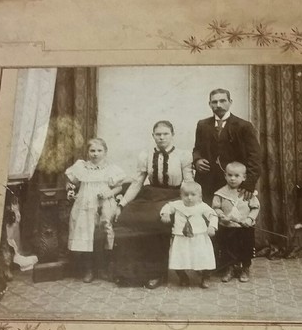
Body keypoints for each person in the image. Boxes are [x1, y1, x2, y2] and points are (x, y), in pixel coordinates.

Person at [112, 121, 194, 289]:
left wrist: (188, 205)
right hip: (151, 194)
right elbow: (137, 183)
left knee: (155, 220)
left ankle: (157, 273)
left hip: (173, 196)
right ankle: (131, 273)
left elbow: (189, 183)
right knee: (127, 217)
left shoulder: (183, 155)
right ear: (153, 136)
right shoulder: (145, 155)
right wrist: (122, 204)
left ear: (172, 135)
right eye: (158, 134)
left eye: (165, 134)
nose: (162, 137)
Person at [65, 138, 125, 283]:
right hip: (84, 205)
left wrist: (108, 194)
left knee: (104, 233)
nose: (95, 154)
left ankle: (103, 268)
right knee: (86, 233)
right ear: (87, 152)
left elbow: (119, 187)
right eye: (92, 151)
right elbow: (71, 183)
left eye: (99, 151)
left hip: (104, 204)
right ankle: (88, 269)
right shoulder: (81, 167)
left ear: (105, 152)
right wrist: (70, 189)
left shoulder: (111, 169)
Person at [192, 88, 262, 203]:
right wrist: (197, 160)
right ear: (209, 104)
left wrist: (249, 183)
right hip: (207, 182)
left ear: (230, 102)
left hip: (234, 182)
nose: (218, 105)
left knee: (232, 217)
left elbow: (255, 156)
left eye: (223, 101)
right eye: (214, 102)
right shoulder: (202, 125)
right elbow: (197, 149)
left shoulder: (244, 126)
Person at [160, 181, 218, 288]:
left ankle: (206, 277)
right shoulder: (177, 205)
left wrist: (212, 226)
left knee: (203, 256)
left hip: (199, 236)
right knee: (179, 257)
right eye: (186, 195)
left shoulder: (202, 206)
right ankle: (183, 277)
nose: (189, 198)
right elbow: (167, 207)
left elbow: (213, 215)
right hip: (181, 237)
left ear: (200, 196)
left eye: (193, 195)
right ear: (181, 195)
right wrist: (165, 214)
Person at [212, 162, 261, 282]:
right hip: (228, 227)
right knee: (228, 249)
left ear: (244, 177)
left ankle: (245, 268)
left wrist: (249, 219)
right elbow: (215, 208)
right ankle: (230, 268)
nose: (232, 178)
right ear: (225, 176)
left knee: (246, 248)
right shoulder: (220, 193)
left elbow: (255, 207)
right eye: (229, 175)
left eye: (236, 175)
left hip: (245, 228)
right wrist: (222, 216)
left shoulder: (248, 193)